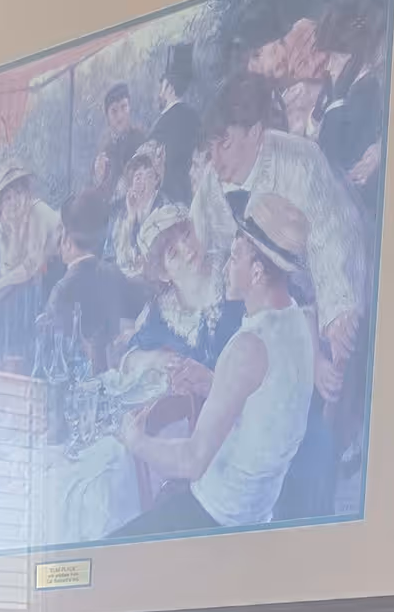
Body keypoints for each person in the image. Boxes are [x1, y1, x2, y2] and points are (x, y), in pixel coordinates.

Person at [118, 191, 317, 534]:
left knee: (114, 551)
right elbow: (263, 399)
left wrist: (136, 442)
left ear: (256, 272)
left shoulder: (247, 345)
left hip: (219, 514)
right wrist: (212, 381)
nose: (224, 265)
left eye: (234, 257)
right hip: (258, 506)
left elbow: (192, 461)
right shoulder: (297, 321)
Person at [189, 70, 366, 408]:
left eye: (225, 144)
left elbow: (333, 232)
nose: (215, 159)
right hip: (253, 311)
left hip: (310, 303)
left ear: (256, 133)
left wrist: (338, 311)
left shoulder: (300, 160)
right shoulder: (212, 185)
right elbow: (203, 248)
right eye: (210, 147)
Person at [123, 204, 242, 379]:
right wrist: (157, 359)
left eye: (187, 235)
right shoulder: (165, 313)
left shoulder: (231, 272)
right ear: (163, 273)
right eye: (173, 253)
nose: (187, 249)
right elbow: (130, 358)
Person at [0, 163, 63, 370]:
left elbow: (31, 266)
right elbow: (9, 270)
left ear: (27, 194)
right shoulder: (6, 226)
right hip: (35, 287)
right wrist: (7, 239)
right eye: (7, 198)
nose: (14, 202)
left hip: (57, 278)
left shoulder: (37, 211)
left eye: (18, 194)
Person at [37, 189, 139, 371]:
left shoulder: (62, 291)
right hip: (110, 379)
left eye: (61, 229)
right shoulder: (113, 273)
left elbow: (51, 356)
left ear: (67, 240)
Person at [316, 1, 388, 211]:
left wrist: (336, 99)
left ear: (353, 57)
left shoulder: (364, 92)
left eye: (334, 58)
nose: (328, 67)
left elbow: (334, 157)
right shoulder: (351, 91)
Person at [150, 41, 202, 201]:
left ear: (170, 88)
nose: (160, 92)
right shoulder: (195, 117)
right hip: (191, 196)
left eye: (162, 87)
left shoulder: (161, 126)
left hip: (167, 199)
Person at [109, 141, 168, 281]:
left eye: (148, 176)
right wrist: (131, 217)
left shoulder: (165, 208)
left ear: (156, 181)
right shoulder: (120, 211)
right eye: (138, 177)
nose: (142, 183)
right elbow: (113, 256)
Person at [93, 83, 144, 193]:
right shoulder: (104, 147)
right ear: (107, 117)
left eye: (124, 107)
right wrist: (98, 178)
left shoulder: (140, 139)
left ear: (130, 108)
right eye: (114, 111)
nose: (120, 116)